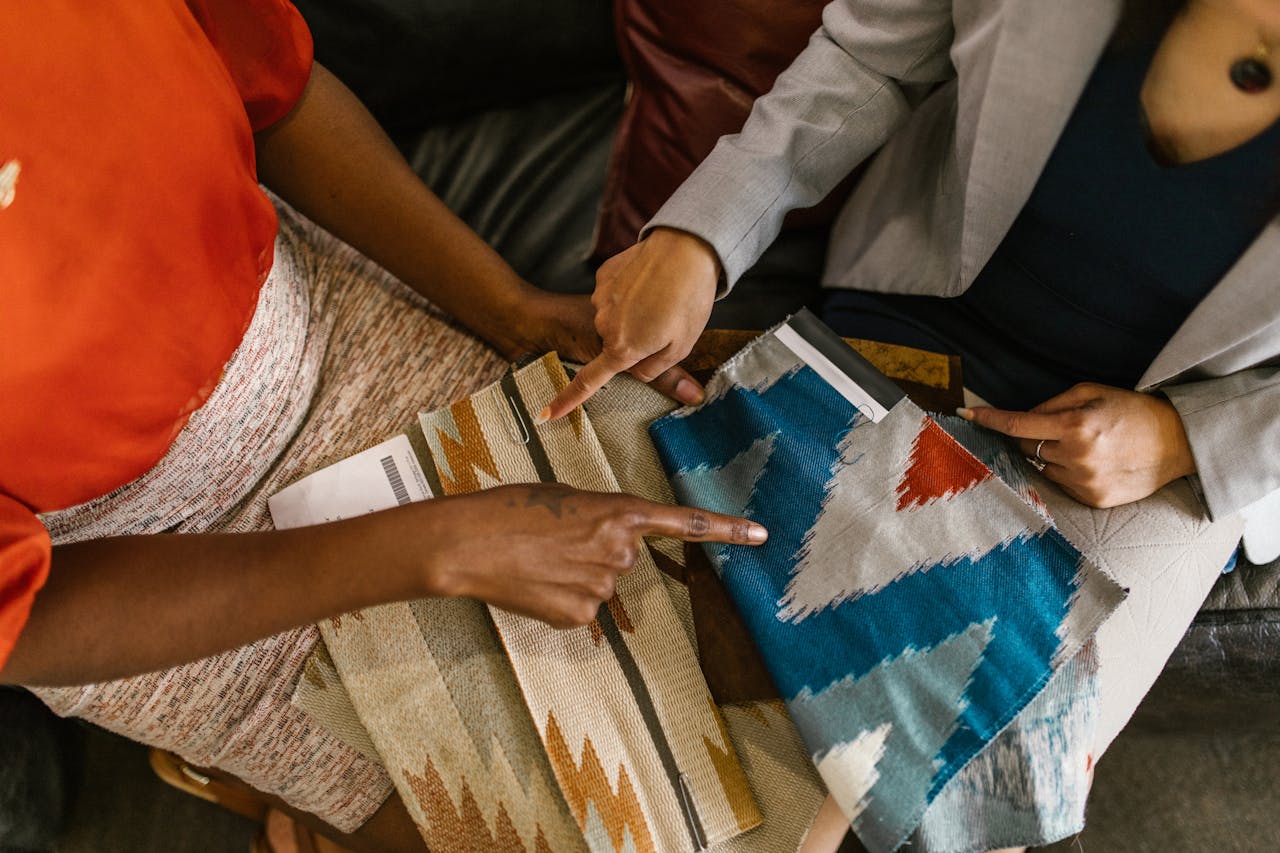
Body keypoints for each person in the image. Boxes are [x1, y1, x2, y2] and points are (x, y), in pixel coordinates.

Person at [0, 2, 765, 850]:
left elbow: (276, 95)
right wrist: (438, 547)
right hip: (136, 570)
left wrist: (511, 312)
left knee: (741, 656)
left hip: (324, 325)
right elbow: (22, 621)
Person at [541, 0, 1279, 849]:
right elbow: (870, 60)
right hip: (922, 317)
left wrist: (1186, 439)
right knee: (648, 650)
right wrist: (701, 236)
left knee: (982, 794)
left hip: (1173, 436)